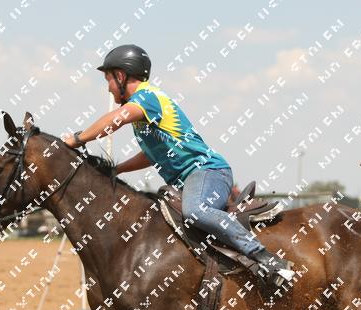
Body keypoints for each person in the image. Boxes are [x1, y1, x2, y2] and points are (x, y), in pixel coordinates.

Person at [61, 44, 294, 289]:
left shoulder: (147, 97)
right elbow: (150, 155)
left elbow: (116, 120)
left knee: (196, 211)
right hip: (189, 181)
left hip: (208, 172)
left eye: (108, 80)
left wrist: (77, 139)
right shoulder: (143, 111)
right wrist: (118, 170)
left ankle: (267, 259)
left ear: (120, 76)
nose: (108, 88)